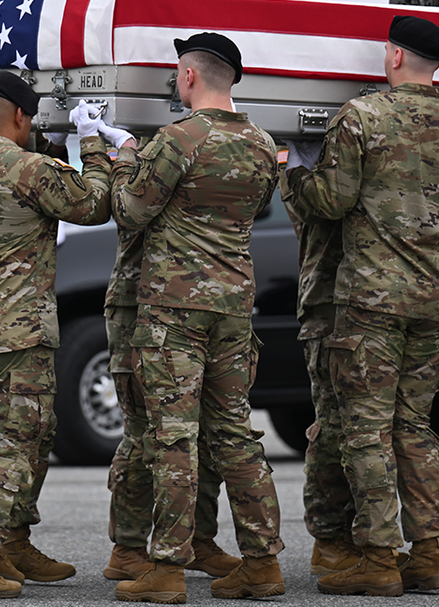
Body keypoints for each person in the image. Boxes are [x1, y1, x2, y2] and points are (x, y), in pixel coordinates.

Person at [283, 15, 439, 596]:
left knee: (366, 430)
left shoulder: (363, 116)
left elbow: (332, 198)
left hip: (372, 299)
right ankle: (428, 554)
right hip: (434, 297)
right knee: (414, 426)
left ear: (395, 57)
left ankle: (377, 556)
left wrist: (296, 172)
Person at [106, 32, 285, 603]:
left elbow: (132, 212)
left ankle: (166, 568)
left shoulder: (177, 140)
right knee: (236, 434)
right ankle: (262, 563)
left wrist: (121, 159)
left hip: (174, 312)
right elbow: (256, 210)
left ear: (188, 76)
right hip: (233, 307)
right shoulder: (261, 142)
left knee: (172, 438)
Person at [0, 71, 111, 599]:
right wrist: (92, 142)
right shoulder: (28, 170)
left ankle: (0, 546)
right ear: (21, 118)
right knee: (7, 446)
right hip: (15, 337)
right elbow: (94, 204)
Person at [97, 171, 241, 584]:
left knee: (202, 434)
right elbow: (125, 210)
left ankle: (199, 539)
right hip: (136, 302)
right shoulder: (145, 152)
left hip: (193, 301)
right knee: (148, 433)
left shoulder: (194, 146)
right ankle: (128, 546)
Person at [279, 140, 358, 576]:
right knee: (332, 426)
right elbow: (313, 210)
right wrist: (300, 169)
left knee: (361, 429)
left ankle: (354, 534)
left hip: (362, 306)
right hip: (327, 307)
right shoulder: (303, 168)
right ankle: (329, 538)